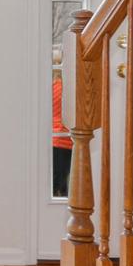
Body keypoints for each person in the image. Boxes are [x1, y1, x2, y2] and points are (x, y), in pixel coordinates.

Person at [51, 48, 72, 197]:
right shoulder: (68, 88)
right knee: (62, 180)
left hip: (56, 140)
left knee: (57, 182)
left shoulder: (54, 87)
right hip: (66, 140)